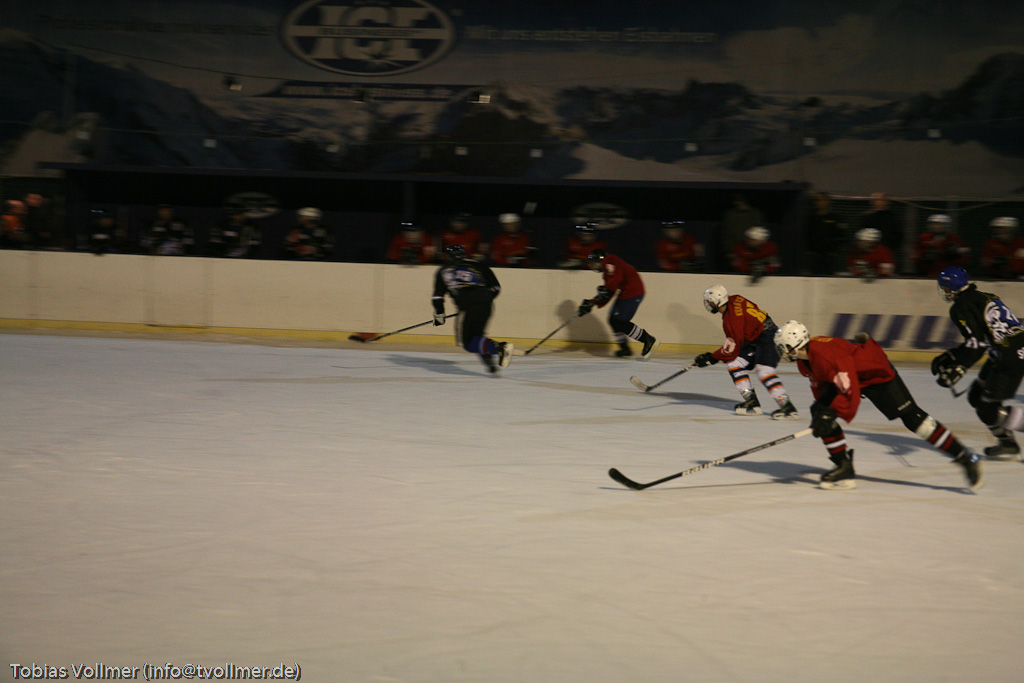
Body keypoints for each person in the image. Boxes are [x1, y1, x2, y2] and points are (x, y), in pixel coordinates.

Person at [774, 320, 982, 490]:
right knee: (820, 411)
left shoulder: (826, 356)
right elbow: (822, 387)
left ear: (792, 345)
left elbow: (850, 391)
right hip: (853, 375)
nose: (781, 351)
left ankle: (965, 456)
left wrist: (831, 414)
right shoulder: (804, 361)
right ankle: (844, 466)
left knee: (914, 420)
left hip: (877, 374)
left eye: (782, 347)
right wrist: (823, 415)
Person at [932, 266, 1024, 460]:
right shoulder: (984, 296)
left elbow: (977, 345)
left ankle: (1008, 442)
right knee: (976, 396)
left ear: (951, 287)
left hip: (1009, 355)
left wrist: (959, 368)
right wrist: (952, 356)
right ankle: (1006, 442)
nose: (944, 292)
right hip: (1009, 349)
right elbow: (979, 340)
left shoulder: (960, 307)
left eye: (945, 288)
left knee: (987, 409)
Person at [695, 284, 798, 419]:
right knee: (734, 363)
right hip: (758, 336)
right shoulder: (735, 298)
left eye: (710, 302)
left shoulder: (731, 320)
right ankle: (751, 403)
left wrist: (712, 357)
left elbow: (732, 349)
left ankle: (787, 407)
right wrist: (714, 356)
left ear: (717, 302)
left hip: (767, 338)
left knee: (764, 370)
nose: (709, 305)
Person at [431, 244, 513, 374]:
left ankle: (499, 348)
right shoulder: (478, 264)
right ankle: (488, 361)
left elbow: (437, 297)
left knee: (468, 343)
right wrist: (483, 299)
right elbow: (496, 288)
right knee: (477, 336)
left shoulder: (443, 270)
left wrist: (439, 315)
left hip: (468, 304)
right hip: (485, 303)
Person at [577, 249, 659, 360]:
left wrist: (602, 294)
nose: (593, 266)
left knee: (620, 322)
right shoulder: (607, 273)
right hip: (627, 292)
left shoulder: (610, 260)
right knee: (613, 320)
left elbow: (613, 284)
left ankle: (647, 339)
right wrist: (592, 302)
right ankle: (625, 348)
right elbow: (608, 293)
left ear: (600, 259)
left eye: (594, 263)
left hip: (633, 291)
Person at [803, 191, 847, 275]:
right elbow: (806, 235)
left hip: (831, 256)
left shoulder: (836, 217)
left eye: (823, 200)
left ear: (829, 202)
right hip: (814, 255)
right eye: (818, 200)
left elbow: (841, 236)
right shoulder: (810, 218)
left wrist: (835, 250)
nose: (820, 203)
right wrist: (809, 250)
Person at [861, 192, 903, 268]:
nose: (875, 202)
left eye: (878, 199)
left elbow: (898, 235)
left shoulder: (893, 217)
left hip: (887, 251)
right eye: (874, 199)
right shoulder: (867, 216)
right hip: (870, 251)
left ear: (886, 201)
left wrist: (888, 247)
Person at [721, 193, 765, 259]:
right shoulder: (730, 215)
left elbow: (761, 233)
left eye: (740, 201)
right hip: (735, 252)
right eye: (737, 201)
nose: (738, 203)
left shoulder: (755, 214)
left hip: (753, 251)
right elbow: (726, 234)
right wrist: (728, 251)